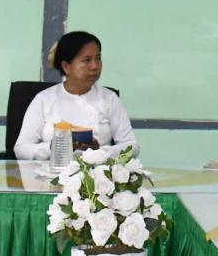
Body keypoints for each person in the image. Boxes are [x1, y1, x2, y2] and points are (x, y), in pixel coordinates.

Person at [14, 31, 138, 160]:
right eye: (87, 60)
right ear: (66, 66)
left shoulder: (109, 98)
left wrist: (98, 152)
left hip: (98, 170)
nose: (95, 66)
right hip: (52, 170)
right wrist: (53, 148)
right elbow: (21, 148)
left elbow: (132, 146)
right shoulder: (44, 99)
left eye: (98, 58)